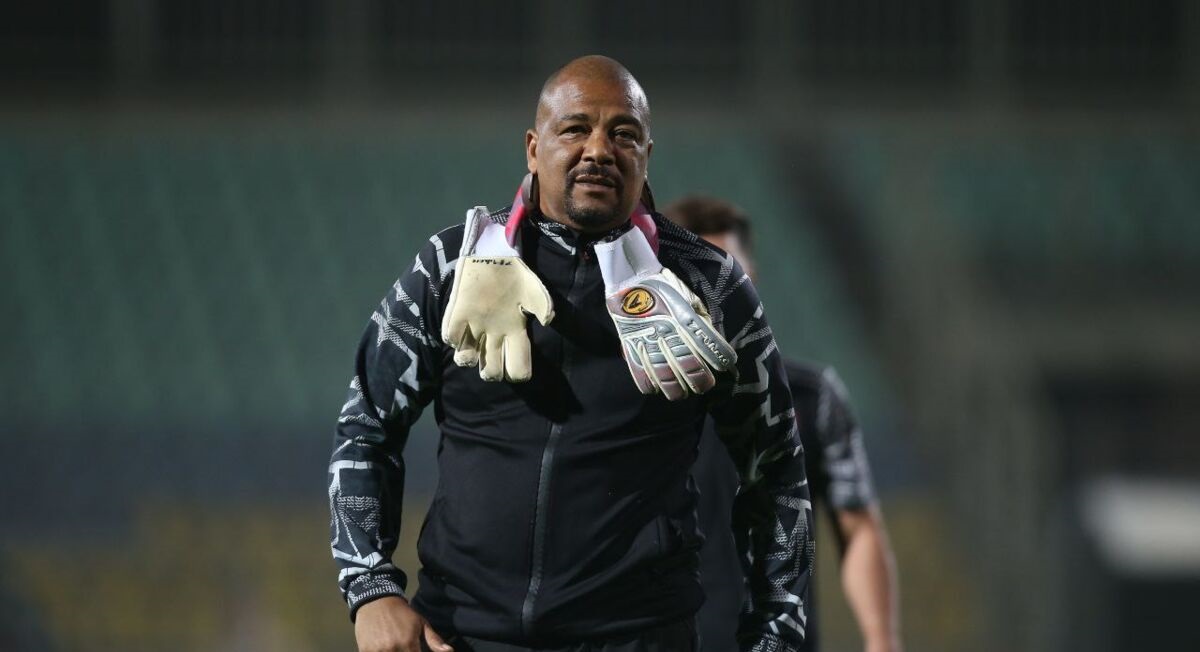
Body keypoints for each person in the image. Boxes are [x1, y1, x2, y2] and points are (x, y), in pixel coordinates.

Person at [329, 56, 814, 652]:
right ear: (534, 150)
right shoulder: (450, 269)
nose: (599, 150)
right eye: (575, 128)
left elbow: (777, 471)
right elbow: (366, 427)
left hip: (638, 640)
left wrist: (776, 637)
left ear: (647, 156)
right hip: (462, 636)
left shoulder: (710, 286)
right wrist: (370, 587)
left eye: (623, 134)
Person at [664, 196, 902, 652]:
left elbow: (857, 528)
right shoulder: (633, 401)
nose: (713, 293)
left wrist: (881, 639)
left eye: (728, 276)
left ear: (751, 281)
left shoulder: (812, 398)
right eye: (695, 278)